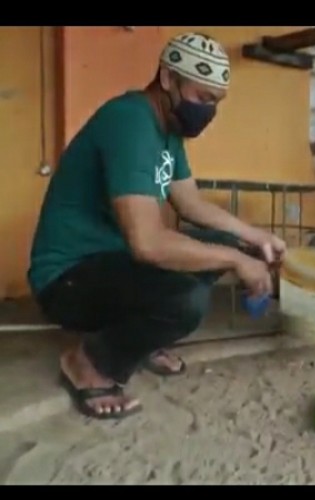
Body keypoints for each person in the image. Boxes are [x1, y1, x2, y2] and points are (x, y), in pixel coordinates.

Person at [27, 32, 286, 420]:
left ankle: (141, 337)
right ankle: (88, 363)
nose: (209, 112)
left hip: (110, 262)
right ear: (167, 78)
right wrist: (235, 259)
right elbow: (147, 243)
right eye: (203, 98)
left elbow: (190, 203)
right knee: (184, 300)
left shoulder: (167, 130)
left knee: (221, 247)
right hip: (66, 279)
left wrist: (252, 237)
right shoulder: (129, 120)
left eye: (216, 103)